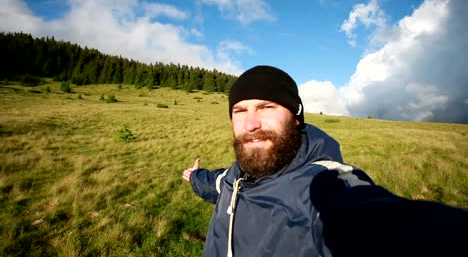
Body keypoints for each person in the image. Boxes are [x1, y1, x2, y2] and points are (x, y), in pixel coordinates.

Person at [182, 65, 468, 257]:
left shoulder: (323, 184)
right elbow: (217, 184)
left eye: (267, 107)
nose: (251, 123)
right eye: (240, 110)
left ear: (296, 117)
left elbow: (377, 221)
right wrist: (195, 177)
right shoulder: (237, 176)